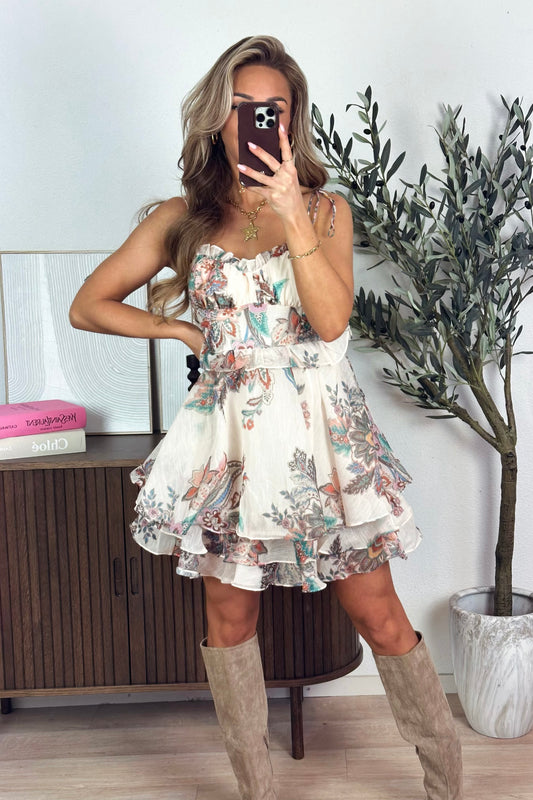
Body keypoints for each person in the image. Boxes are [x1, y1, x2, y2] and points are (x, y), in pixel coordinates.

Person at [70, 35, 463, 800]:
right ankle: (254, 789)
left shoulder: (324, 210)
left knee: (380, 616)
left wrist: (291, 212)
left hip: (322, 441)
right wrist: (180, 332)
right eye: (241, 107)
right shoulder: (183, 217)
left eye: (272, 109)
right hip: (229, 446)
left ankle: (446, 786)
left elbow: (330, 321)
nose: (256, 120)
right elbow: (88, 305)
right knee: (228, 621)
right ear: (218, 118)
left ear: (291, 120)